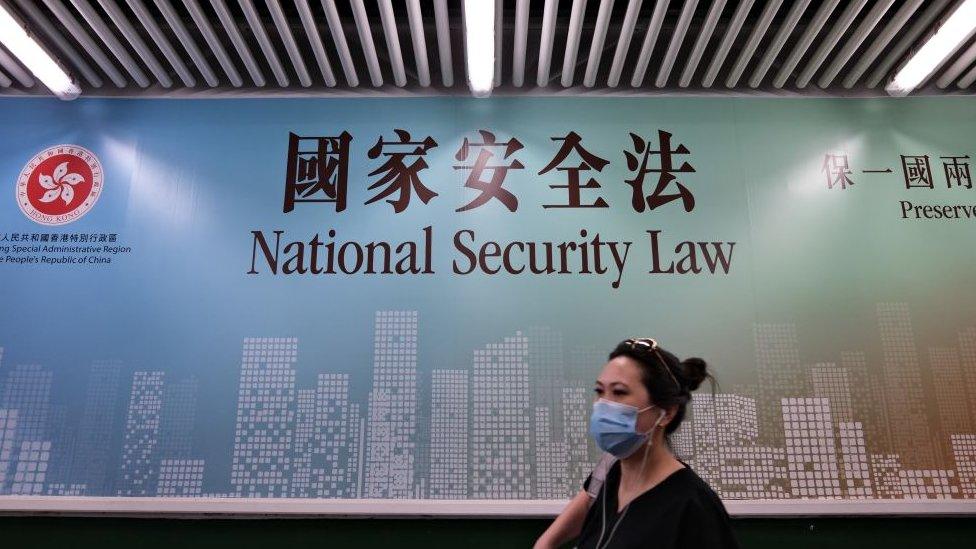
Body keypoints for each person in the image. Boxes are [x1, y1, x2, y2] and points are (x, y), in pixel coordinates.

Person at [533, 337, 740, 549]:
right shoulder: (610, 473)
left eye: (619, 392)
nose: (603, 405)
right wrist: (545, 543)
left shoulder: (693, 507)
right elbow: (584, 506)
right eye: (599, 391)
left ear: (666, 412)